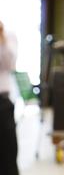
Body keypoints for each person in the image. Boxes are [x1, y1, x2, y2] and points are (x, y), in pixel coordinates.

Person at [0, 20, 19, 175]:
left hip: (2, 101)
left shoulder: (8, 35)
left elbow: (10, 65)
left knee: (7, 150)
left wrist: (1, 38)